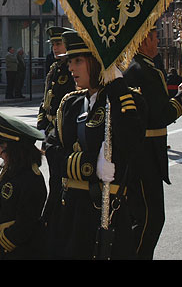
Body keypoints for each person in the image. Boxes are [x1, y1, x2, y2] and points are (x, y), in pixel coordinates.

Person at [43, 30, 146, 260]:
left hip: (103, 211)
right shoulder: (70, 104)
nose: (71, 68)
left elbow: (131, 143)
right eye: (70, 61)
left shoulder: (124, 101)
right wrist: (89, 164)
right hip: (69, 210)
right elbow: (51, 149)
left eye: (78, 61)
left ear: (98, 62)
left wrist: (117, 85)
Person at [123, 27, 182, 260]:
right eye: (155, 37)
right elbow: (160, 115)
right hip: (147, 154)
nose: (158, 41)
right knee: (150, 218)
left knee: (138, 217)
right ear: (144, 41)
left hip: (136, 153)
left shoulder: (132, 66)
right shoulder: (145, 71)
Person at [0, 111, 47, 259]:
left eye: (2, 146)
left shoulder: (31, 179)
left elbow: (25, 225)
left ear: (16, 150)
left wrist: (1, 244)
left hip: (22, 252)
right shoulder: (9, 172)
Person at [37, 26, 76, 227]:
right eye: (52, 44)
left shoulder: (71, 69)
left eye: (58, 43)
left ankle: (56, 218)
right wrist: (41, 126)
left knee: (61, 180)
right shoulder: (54, 69)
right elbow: (46, 100)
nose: (54, 47)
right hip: (51, 131)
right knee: (54, 178)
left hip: (63, 132)